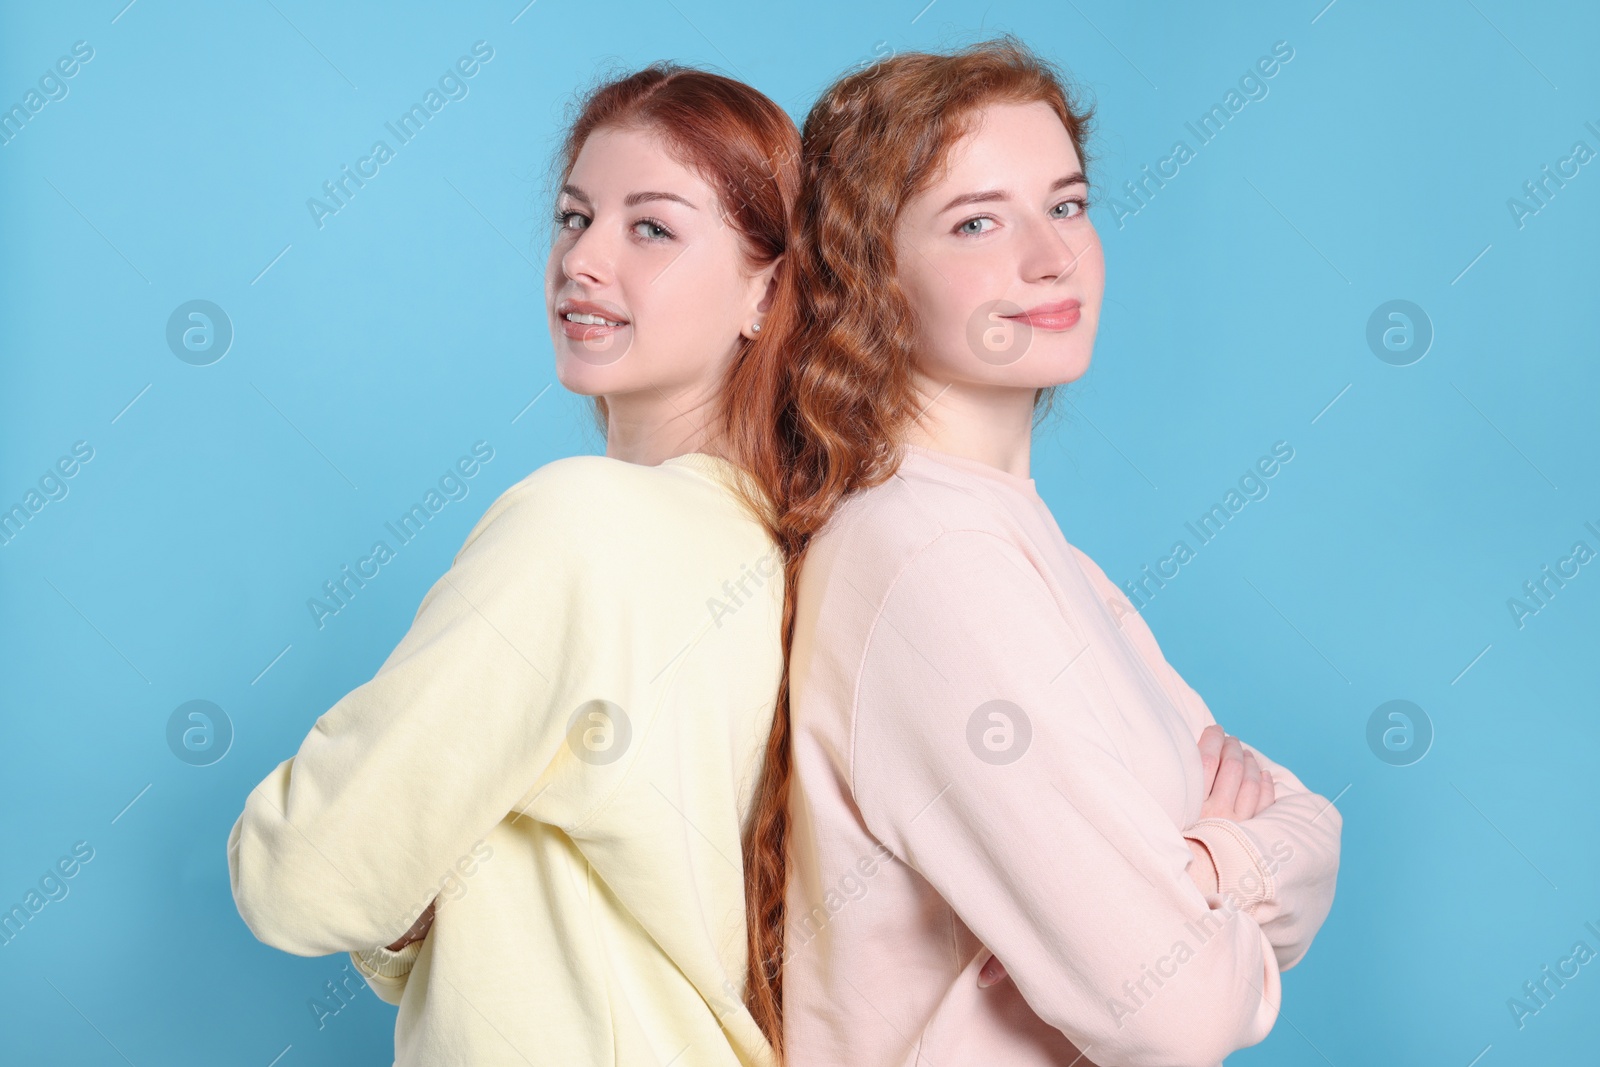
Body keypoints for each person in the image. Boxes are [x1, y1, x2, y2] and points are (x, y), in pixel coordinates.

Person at [740, 36, 1343, 1066]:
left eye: (1063, 204)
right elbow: (1178, 1008)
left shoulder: (1019, 540)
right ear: (870, 273)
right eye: (977, 220)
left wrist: (1187, 877)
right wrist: (1221, 865)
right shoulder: (931, 563)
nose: (1051, 255)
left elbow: (1315, 828)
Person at [228, 62, 802, 1066]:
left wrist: (411, 889)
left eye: (651, 228)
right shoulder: (783, 549)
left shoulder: (580, 524)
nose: (584, 259)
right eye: (575, 216)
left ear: (765, 287)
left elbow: (299, 873)